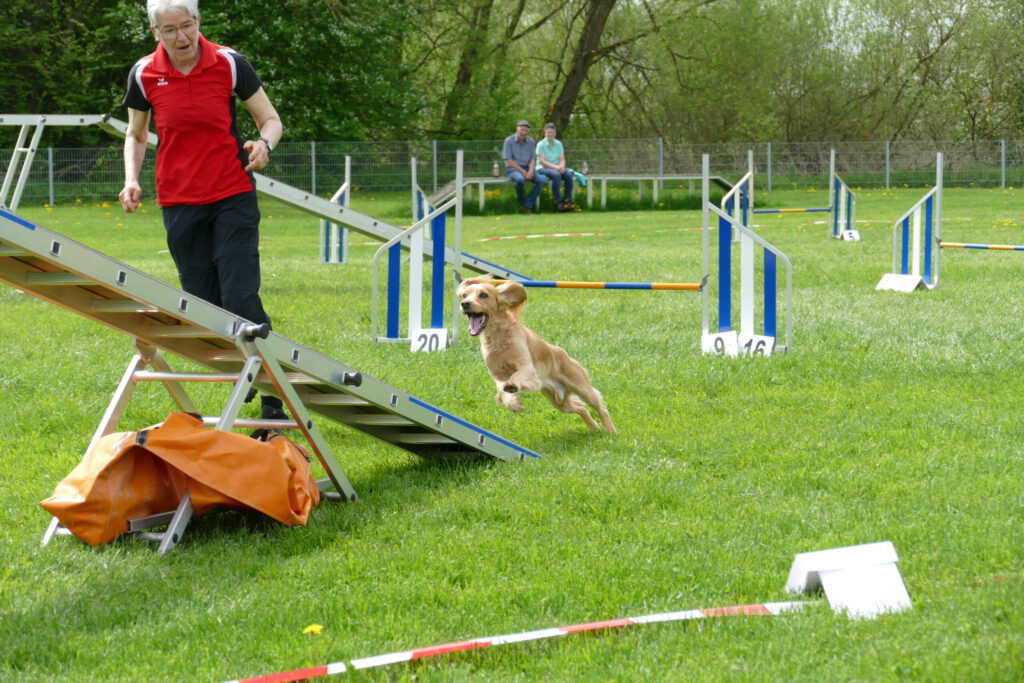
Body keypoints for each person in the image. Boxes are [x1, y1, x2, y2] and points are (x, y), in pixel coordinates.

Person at [118, 0, 287, 425]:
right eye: (170, 30)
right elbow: (136, 134)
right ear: (156, 33)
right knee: (204, 305)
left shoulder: (230, 63)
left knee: (239, 295)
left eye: (188, 25)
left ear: (198, 22)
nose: (182, 37)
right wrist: (131, 179)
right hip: (179, 200)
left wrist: (264, 144)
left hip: (232, 193)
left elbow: (270, 119)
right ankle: (246, 371)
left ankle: (273, 396)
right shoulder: (144, 73)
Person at [502, 120, 548, 213]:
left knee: (541, 180)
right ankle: (522, 202)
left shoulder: (531, 141)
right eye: (521, 130)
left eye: (526, 130)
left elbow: (532, 159)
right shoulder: (508, 141)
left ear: (528, 131)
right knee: (520, 180)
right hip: (513, 168)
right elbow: (509, 161)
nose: (523, 132)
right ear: (517, 129)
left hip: (527, 167)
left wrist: (530, 171)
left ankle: (528, 205)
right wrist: (523, 171)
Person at [535, 123, 576, 212]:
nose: (550, 134)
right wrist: (557, 168)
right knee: (556, 175)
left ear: (555, 133)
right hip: (543, 168)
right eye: (548, 132)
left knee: (568, 175)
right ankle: (558, 202)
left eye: (552, 132)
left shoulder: (558, 144)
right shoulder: (540, 144)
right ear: (545, 133)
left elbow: (562, 159)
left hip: (557, 166)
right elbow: (543, 161)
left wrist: (562, 167)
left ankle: (568, 200)